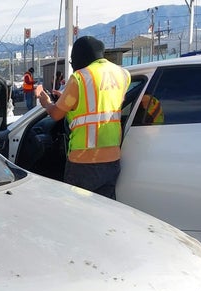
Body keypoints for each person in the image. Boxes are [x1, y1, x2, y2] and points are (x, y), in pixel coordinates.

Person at [34, 36, 131, 199]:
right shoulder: (123, 74)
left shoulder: (80, 77)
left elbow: (56, 114)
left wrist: (46, 102)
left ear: (80, 56)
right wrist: (66, 97)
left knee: (77, 210)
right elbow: (102, 100)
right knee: (106, 208)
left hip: (84, 160)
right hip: (112, 157)